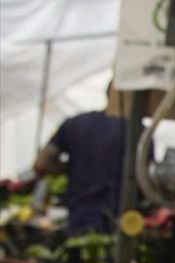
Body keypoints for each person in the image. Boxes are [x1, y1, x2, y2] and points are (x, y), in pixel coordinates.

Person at [33, 86, 130, 233]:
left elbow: (41, 165)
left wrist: (73, 166)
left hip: (79, 217)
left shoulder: (74, 124)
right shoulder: (138, 133)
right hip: (120, 222)